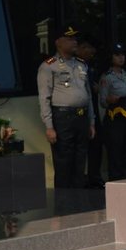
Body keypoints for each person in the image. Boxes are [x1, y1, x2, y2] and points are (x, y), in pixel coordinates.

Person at [37, 25, 96, 189]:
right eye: (69, 39)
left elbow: (88, 95)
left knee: (80, 160)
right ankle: (64, 204)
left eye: (75, 38)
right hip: (63, 118)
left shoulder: (81, 64)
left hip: (82, 117)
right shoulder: (49, 65)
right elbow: (44, 98)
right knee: (63, 161)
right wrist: (49, 127)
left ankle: (78, 200)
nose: (74, 42)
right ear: (58, 42)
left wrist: (91, 121)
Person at [99, 43, 126, 181]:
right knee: (115, 151)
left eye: (122, 55)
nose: (121, 58)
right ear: (111, 57)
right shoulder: (107, 77)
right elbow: (102, 101)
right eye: (117, 55)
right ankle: (116, 180)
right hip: (115, 118)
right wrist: (110, 99)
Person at [76, 37, 104, 189]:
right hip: (79, 112)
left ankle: (95, 176)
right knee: (81, 147)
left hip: (92, 111)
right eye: (87, 47)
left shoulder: (89, 66)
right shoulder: (75, 65)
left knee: (96, 145)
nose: (91, 51)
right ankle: (81, 178)